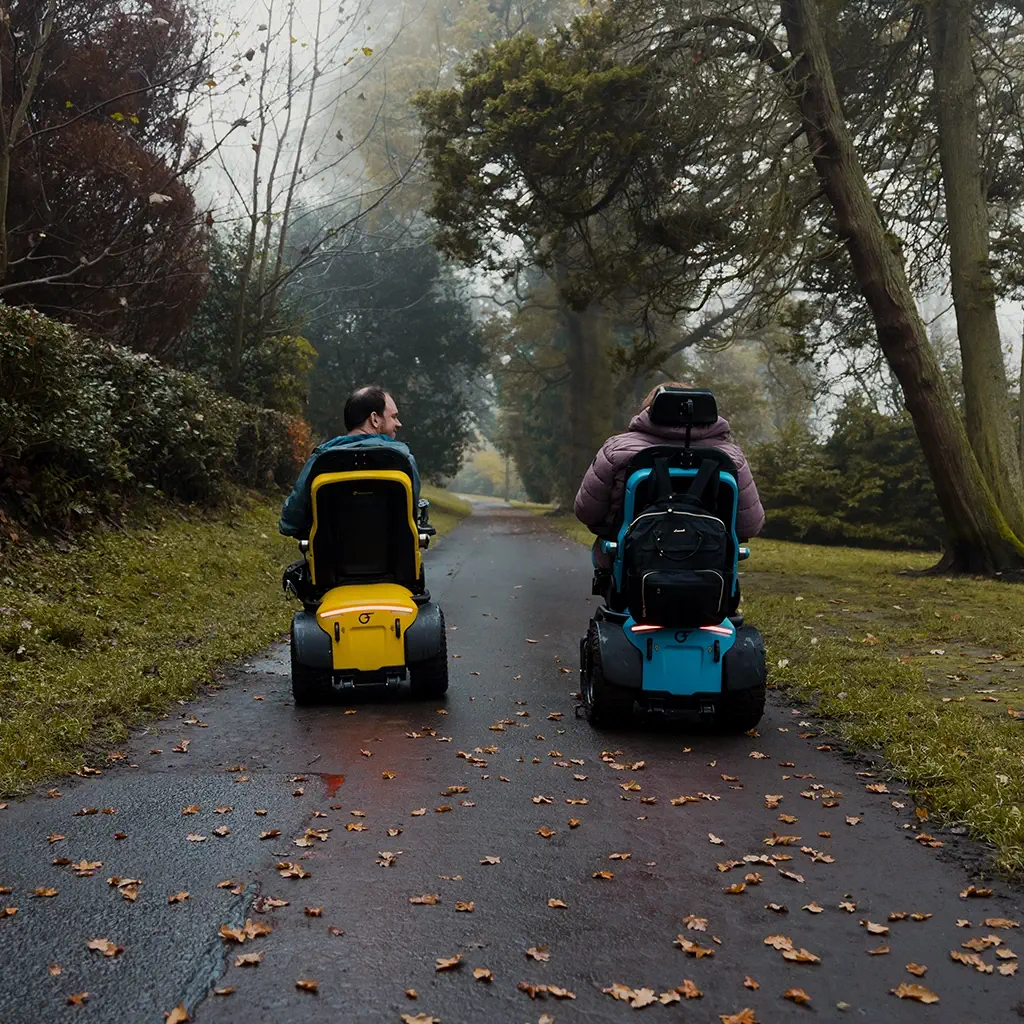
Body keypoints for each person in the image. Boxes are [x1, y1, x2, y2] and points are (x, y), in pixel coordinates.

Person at [574, 382, 765, 567]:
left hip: (633, 560)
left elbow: (587, 511)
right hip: (709, 562)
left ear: (650, 409)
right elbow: (749, 525)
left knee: (607, 550)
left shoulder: (617, 449)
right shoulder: (731, 458)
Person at [279, 385, 421, 539]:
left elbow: (290, 522)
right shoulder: (402, 459)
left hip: (330, 560)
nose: (398, 424)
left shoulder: (321, 458)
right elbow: (410, 516)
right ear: (374, 419)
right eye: (394, 417)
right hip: (394, 559)